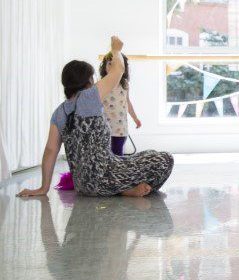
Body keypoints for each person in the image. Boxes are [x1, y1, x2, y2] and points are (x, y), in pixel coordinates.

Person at [17, 36, 174, 198]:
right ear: (88, 81)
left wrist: (43, 188)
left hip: (83, 186)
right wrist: (116, 50)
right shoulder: (89, 96)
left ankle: (123, 189)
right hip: (106, 177)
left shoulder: (59, 112)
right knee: (165, 159)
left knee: (147, 153)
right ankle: (123, 190)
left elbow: (50, 150)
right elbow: (119, 70)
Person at [99, 52, 141, 156]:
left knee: (118, 155)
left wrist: (135, 118)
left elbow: (128, 102)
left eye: (116, 64)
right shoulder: (101, 83)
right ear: (104, 66)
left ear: (123, 67)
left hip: (120, 128)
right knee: (105, 155)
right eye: (110, 63)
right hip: (104, 127)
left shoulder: (125, 84)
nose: (113, 67)